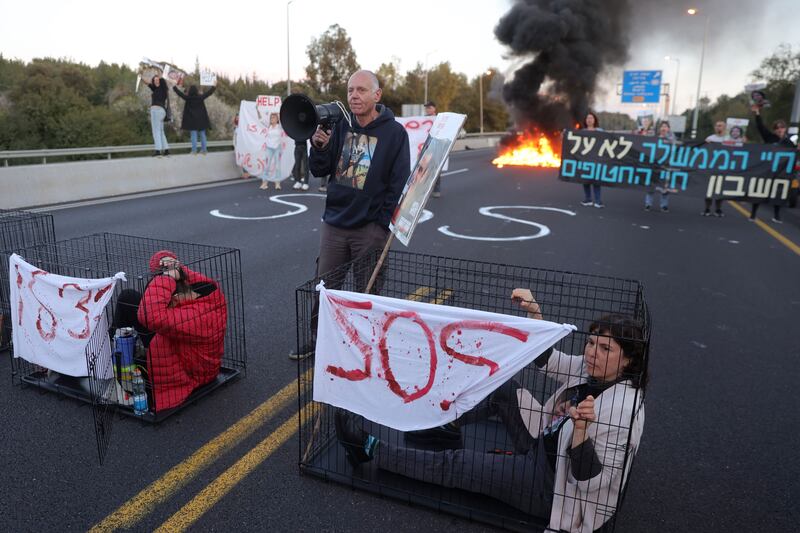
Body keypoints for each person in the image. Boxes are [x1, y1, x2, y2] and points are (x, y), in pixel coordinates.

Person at [334, 288, 646, 532]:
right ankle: (444, 426)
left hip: (551, 487)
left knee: (456, 465)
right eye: (591, 343)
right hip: (547, 443)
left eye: (605, 349)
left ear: (629, 360)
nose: (592, 353)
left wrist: (579, 430)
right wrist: (535, 316)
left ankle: (370, 450)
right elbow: (549, 361)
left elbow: (588, 481)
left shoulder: (621, 408)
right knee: (503, 389)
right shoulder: (595, 373)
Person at [289, 70, 410, 360]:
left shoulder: (395, 134)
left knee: (366, 291)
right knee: (325, 288)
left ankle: (364, 345)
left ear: (377, 95)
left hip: (370, 228)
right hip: (335, 224)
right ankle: (317, 338)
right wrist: (317, 147)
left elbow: (398, 183)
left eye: (361, 90)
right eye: (350, 91)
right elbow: (320, 169)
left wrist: (381, 226)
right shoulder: (341, 126)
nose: (354, 96)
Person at [113, 251, 227, 413]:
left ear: (181, 294)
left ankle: (119, 351)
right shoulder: (207, 290)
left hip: (190, 372)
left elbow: (148, 315)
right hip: (181, 348)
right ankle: (116, 343)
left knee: (141, 308)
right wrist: (167, 262)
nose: (170, 301)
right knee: (129, 297)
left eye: (172, 297)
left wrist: (166, 279)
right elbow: (161, 267)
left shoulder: (195, 316)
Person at [749, 105, 796, 223]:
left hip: (781, 172)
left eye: (782, 128)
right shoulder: (770, 137)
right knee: (760, 191)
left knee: (779, 193)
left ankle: (776, 215)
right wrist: (757, 113)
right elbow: (761, 127)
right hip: (767, 170)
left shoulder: (791, 141)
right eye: (777, 128)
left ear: (785, 129)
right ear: (774, 130)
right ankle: (753, 214)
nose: (779, 130)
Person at [173, 84, 216, 155]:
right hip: (202, 119)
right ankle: (204, 150)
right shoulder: (201, 97)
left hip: (192, 120)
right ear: (196, 91)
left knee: (193, 135)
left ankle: (194, 151)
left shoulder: (187, 98)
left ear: (190, 91)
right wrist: (214, 86)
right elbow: (209, 93)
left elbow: (179, 93)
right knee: (202, 134)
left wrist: (174, 87)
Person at [644, 121, 675, 213]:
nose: (664, 128)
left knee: (665, 187)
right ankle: (648, 204)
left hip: (666, 166)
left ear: (668, 129)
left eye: (665, 126)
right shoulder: (654, 139)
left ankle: (664, 205)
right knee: (651, 186)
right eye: (662, 126)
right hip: (654, 166)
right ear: (659, 129)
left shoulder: (672, 140)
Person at [579, 112, 604, 208]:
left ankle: (598, 201)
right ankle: (588, 199)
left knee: (596, 180)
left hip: (596, 159)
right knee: (585, 180)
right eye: (587, 118)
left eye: (591, 118)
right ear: (585, 120)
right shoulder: (582, 131)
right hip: (585, 159)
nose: (589, 120)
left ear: (595, 120)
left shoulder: (600, 131)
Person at [702, 121, 727, 217]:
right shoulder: (710, 138)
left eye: (720, 126)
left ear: (724, 127)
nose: (718, 127)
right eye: (716, 126)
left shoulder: (728, 139)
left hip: (723, 168)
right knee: (708, 189)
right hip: (711, 167)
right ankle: (707, 208)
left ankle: (718, 209)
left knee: (720, 189)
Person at [144, 74, 171, 157]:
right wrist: (141, 77)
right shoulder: (156, 89)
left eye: (157, 80)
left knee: (156, 131)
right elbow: (148, 84)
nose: (156, 81)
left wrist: (159, 75)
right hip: (161, 112)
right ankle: (166, 150)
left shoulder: (163, 88)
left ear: (160, 81)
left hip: (156, 111)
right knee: (161, 131)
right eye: (154, 80)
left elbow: (162, 79)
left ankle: (158, 151)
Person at [424, 101, 443, 198]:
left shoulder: (439, 119)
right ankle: (425, 190)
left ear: (434, 108)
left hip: (436, 147)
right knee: (424, 169)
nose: (427, 109)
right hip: (425, 147)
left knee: (436, 169)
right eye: (426, 108)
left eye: (429, 107)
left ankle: (436, 189)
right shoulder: (422, 119)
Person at [261, 113, 284, 190]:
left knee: (277, 166)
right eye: (271, 118)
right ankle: (264, 183)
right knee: (267, 166)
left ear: (277, 119)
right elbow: (260, 119)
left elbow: (282, 120)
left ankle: (277, 183)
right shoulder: (269, 127)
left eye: (274, 118)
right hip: (269, 147)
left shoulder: (279, 127)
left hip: (277, 147)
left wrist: (279, 114)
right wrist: (257, 110)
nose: (272, 119)